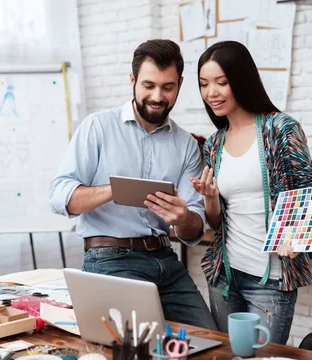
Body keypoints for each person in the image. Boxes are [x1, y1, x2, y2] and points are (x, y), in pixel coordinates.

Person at [49, 39, 217, 330]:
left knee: (210, 341)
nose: (157, 96)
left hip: (167, 260)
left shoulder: (186, 145)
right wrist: (114, 189)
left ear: (179, 84)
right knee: (137, 347)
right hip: (110, 259)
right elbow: (59, 196)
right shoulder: (98, 127)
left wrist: (183, 218)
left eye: (167, 87)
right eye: (148, 85)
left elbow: (193, 230)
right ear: (132, 80)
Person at [191, 41, 312, 344]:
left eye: (222, 82)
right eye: (204, 84)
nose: (212, 93)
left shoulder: (281, 128)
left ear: (242, 80)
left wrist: (295, 235)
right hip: (225, 276)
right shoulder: (214, 143)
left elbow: (306, 187)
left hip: (270, 280)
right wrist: (209, 198)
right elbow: (216, 222)